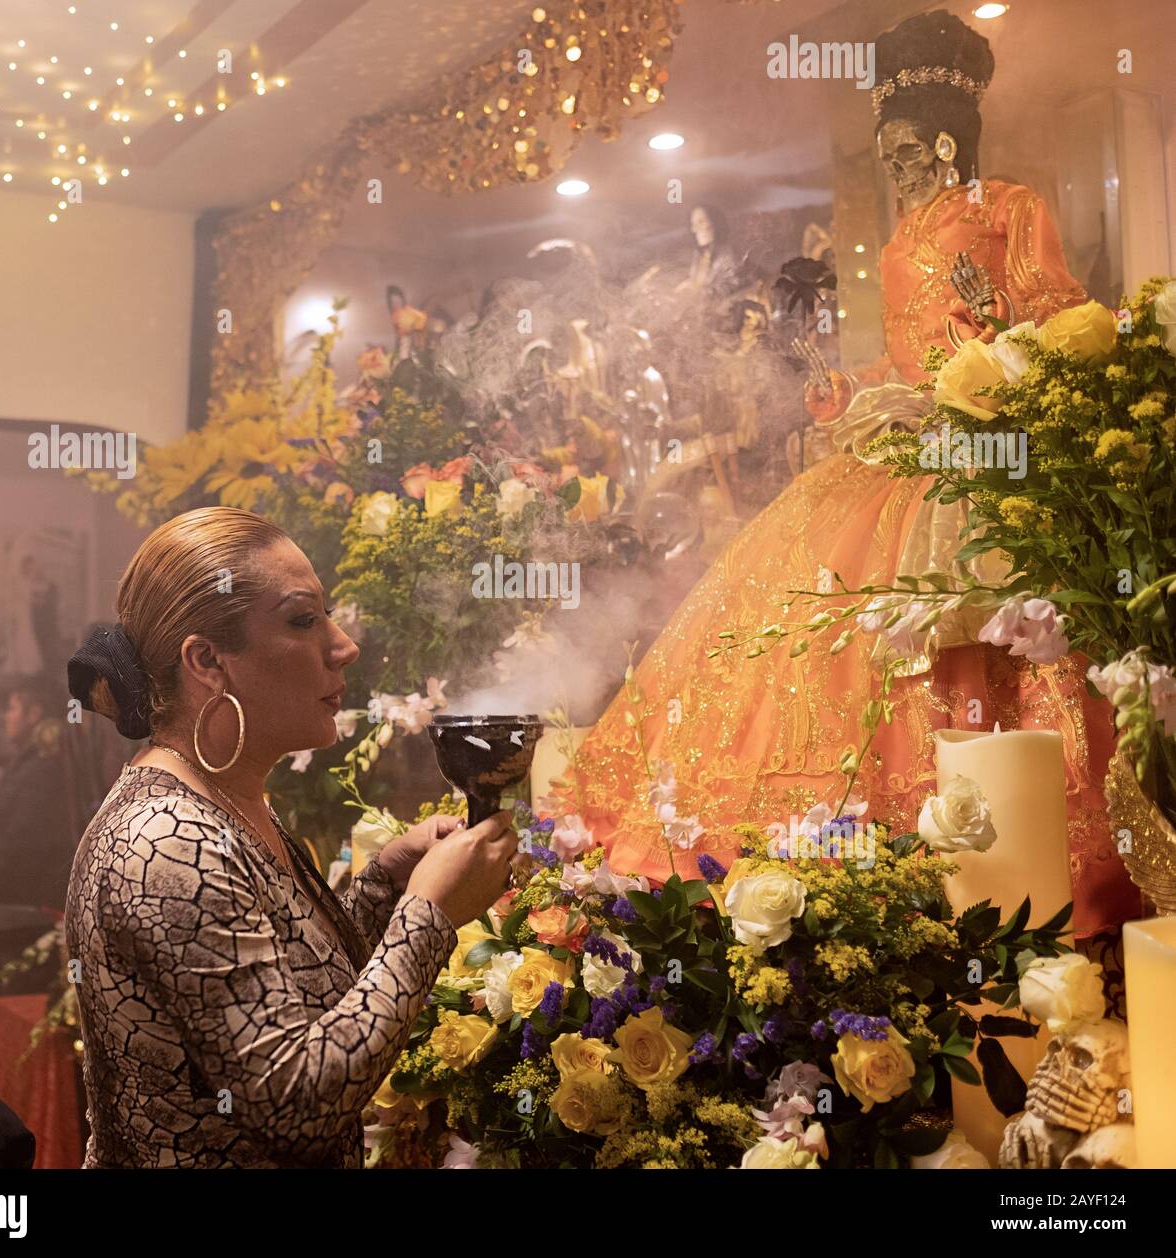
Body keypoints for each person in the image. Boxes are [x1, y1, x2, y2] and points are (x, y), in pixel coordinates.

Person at [565, 10, 1141, 942]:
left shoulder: (1007, 208)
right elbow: (909, 360)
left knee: (987, 642)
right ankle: (865, 888)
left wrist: (1000, 370)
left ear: (948, 137)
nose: (900, 167)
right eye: (889, 151)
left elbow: (1060, 318)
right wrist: (847, 388)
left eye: (910, 148)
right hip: (899, 451)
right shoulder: (905, 236)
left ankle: (1028, 880)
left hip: (987, 454)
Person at [64, 507, 516, 1168]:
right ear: (208, 662)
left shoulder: (219, 800)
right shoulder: (165, 841)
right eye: (304, 620)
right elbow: (294, 1106)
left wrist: (386, 884)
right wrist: (428, 916)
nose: (344, 646)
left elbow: (292, 1000)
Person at [0, 681, 77, 911]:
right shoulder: (28, 762)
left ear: (34, 715)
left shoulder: (43, 767)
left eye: (12, 708)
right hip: (7, 896)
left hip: (21, 901)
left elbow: (21, 842)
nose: (5, 717)